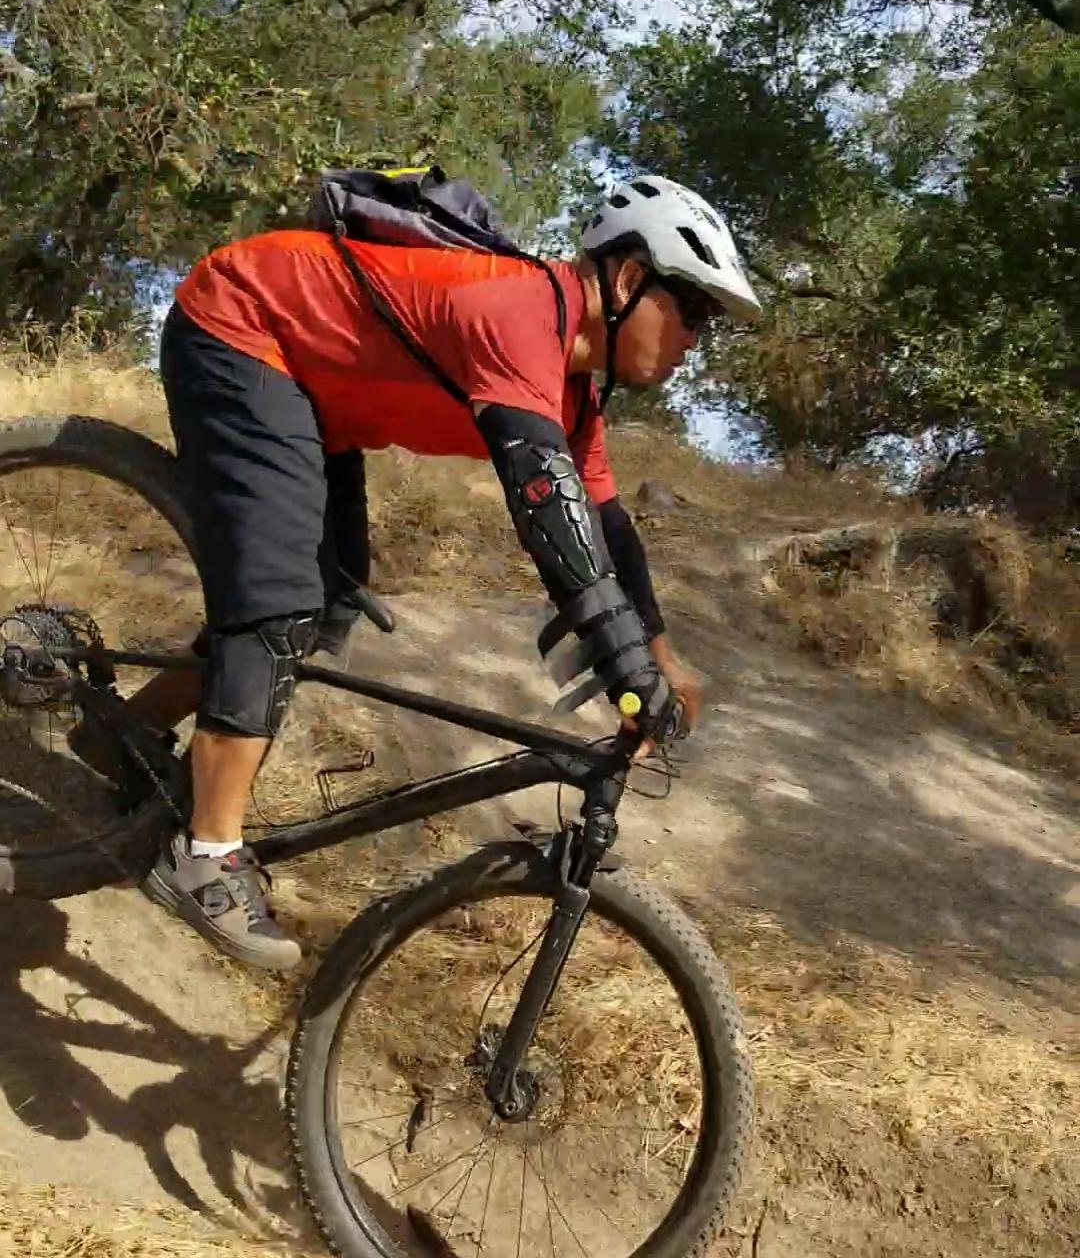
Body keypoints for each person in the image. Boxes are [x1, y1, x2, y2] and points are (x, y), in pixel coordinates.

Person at [96, 175, 760, 970]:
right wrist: (625, 668)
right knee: (277, 608)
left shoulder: (573, 394)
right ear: (629, 280)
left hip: (311, 386)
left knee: (322, 604)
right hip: (243, 327)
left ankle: (125, 733)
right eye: (694, 311)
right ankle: (204, 857)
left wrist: (660, 660)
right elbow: (546, 507)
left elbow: (607, 530)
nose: (696, 339)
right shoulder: (522, 312)